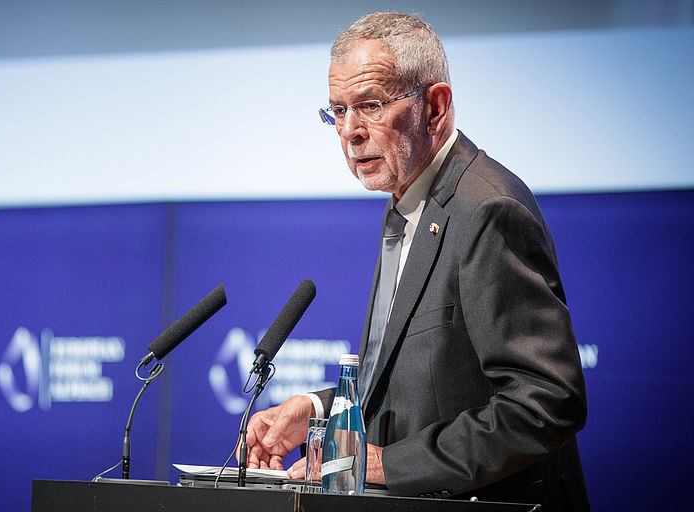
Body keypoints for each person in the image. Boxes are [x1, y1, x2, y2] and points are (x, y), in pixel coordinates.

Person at [244, 12, 589, 512]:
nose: (350, 131)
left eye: (370, 105)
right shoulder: (407, 203)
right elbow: (419, 383)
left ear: (435, 107)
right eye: (337, 110)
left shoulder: (486, 210)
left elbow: (546, 401)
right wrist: (318, 411)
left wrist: (388, 465)